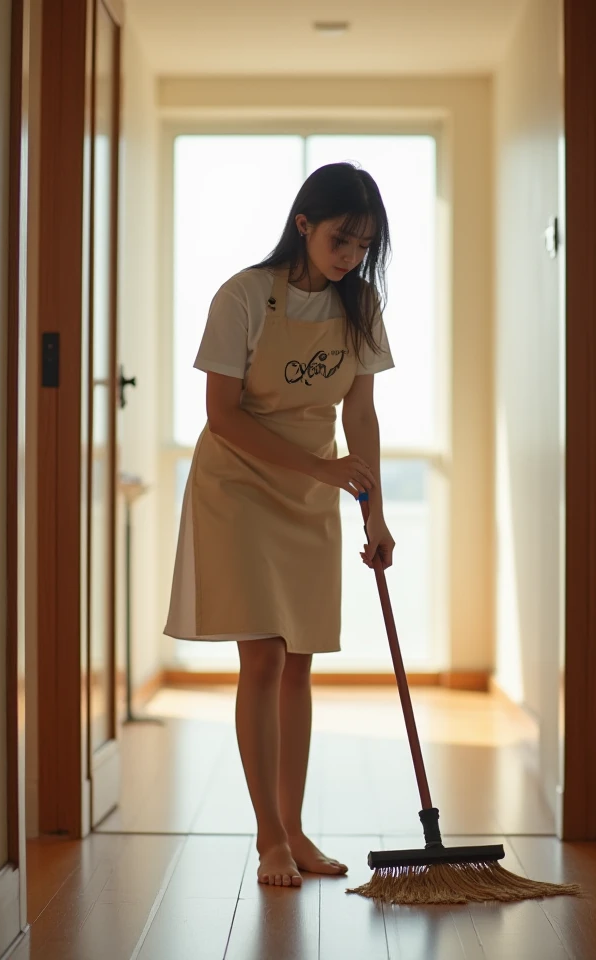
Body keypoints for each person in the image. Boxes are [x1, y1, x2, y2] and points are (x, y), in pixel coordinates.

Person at [164, 161, 396, 888]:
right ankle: (267, 835)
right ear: (304, 223)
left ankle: (295, 830)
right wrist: (325, 471)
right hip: (236, 484)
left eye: (362, 246)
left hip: (310, 492)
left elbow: (358, 411)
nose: (349, 256)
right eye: (340, 238)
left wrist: (377, 509)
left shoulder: (359, 305)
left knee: (300, 661)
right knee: (262, 656)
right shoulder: (241, 296)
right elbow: (222, 415)